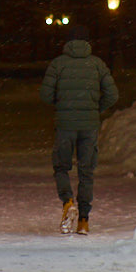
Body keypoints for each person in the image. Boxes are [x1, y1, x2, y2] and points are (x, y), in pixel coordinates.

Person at [39, 26, 118, 235]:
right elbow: (112, 94)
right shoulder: (97, 64)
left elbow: (45, 95)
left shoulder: (58, 64)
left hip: (65, 124)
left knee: (61, 167)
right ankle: (83, 220)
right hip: (89, 124)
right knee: (86, 172)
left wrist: (62, 105)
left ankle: (67, 202)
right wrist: (95, 108)